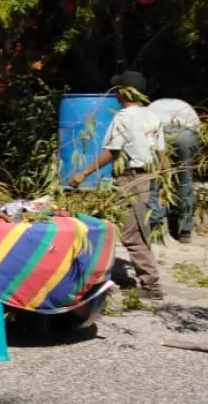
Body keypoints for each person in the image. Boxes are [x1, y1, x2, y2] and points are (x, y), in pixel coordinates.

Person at [69, 71, 166, 299]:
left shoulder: (123, 117)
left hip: (129, 179)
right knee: (133, 227)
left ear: (123, 92)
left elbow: (112, 152)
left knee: (131, 233)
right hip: (146, 177)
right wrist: (161, 180)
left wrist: (83, 173)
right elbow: (162, 152)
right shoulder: (152, 117)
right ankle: (107, 271)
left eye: (117, 90)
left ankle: (151, 284)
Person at [146, 97, 201, 243]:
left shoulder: (152, 106)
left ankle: (156, 229)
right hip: (187, 134)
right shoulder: (185, 104)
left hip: (160, 132)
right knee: (185, 180)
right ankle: (184, 232)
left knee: (155, 180)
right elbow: (197, 133)